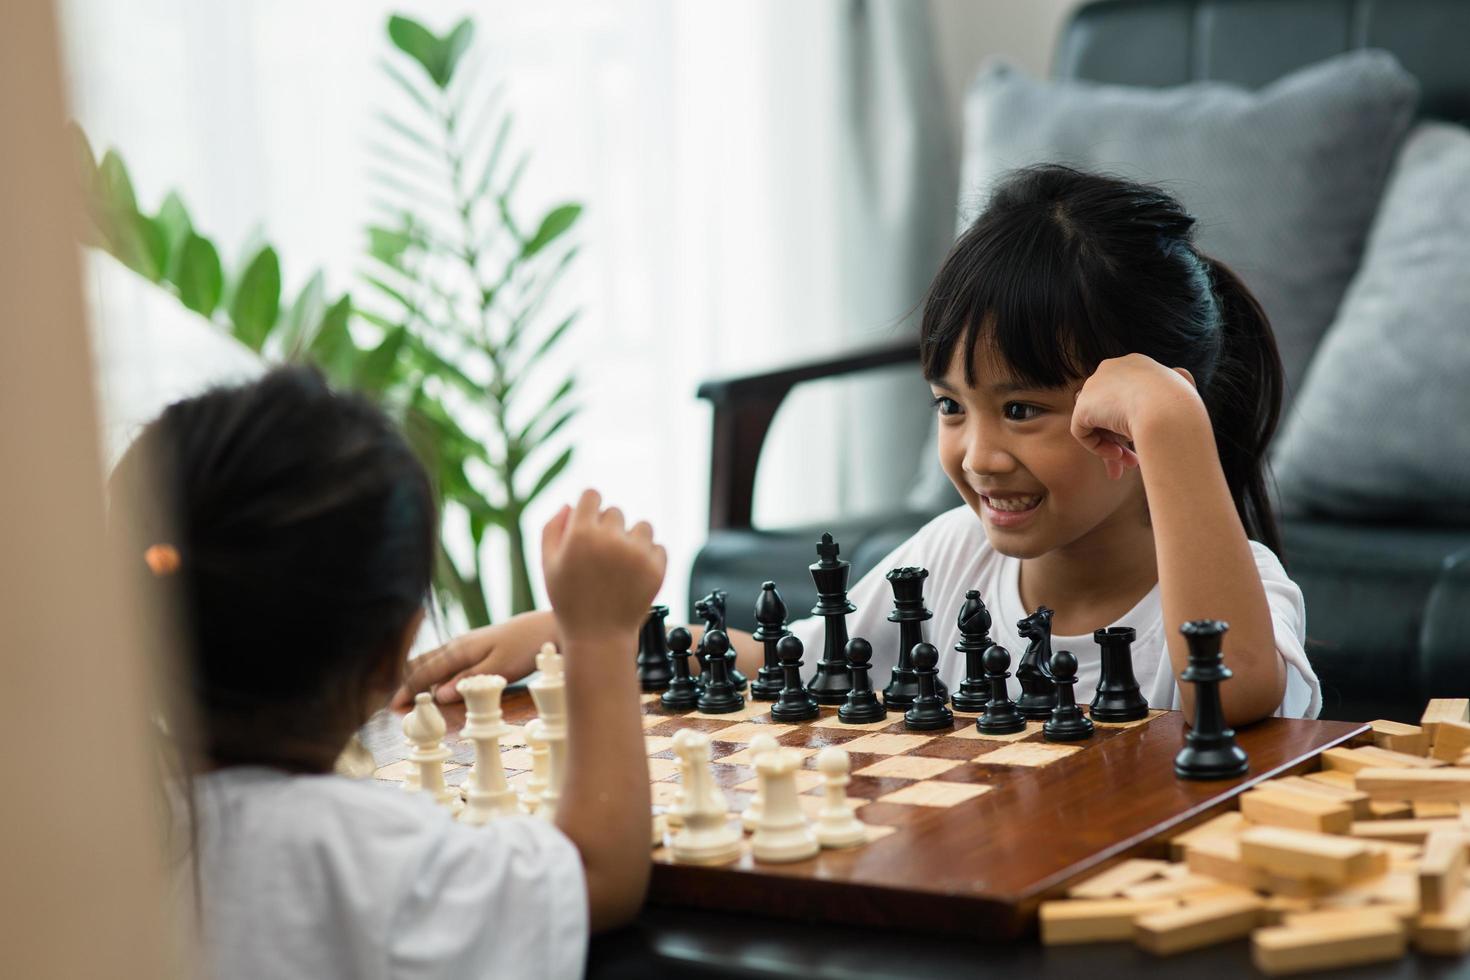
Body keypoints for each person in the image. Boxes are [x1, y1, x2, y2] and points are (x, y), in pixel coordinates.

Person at [395, 165, 1319, 724]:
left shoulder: (1243, 588)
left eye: (1025, 410)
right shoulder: (952, 561)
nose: (979, 454)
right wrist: (582, 633)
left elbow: (1224, 696)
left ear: (1136, 415)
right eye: (951, 407)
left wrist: (1172, 424)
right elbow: (783, 659)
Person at [112, 367, 664, 980]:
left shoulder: (97, 832)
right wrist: (598, 635)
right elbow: (597, 872)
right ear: (393, 651)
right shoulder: (373, 858)